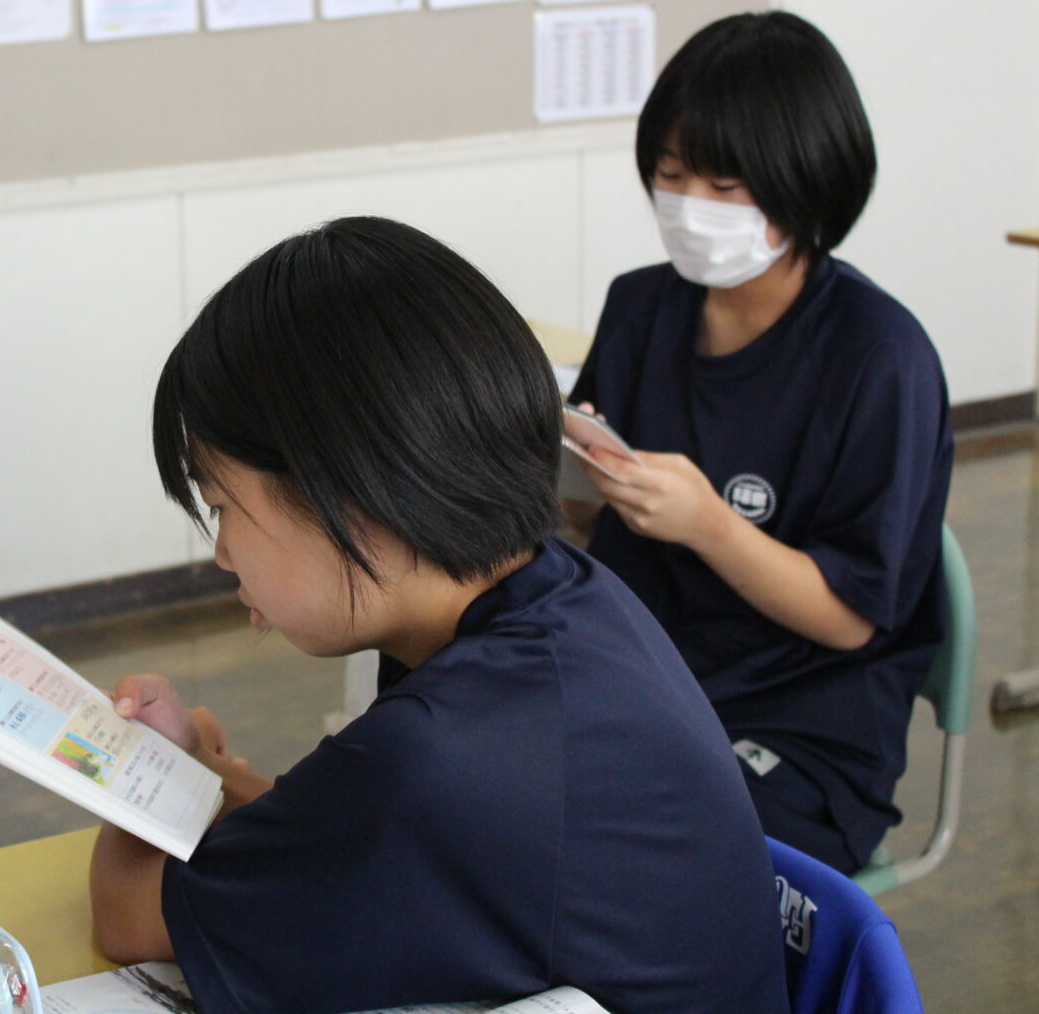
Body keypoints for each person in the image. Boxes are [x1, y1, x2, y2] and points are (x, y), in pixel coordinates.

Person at [90, 217, 788, 1014]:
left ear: (349, 499)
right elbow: (336, 838)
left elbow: (128, 915)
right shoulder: (557, 594)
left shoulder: (441, 755)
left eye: (221, 504)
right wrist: (202, 772)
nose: (221, 554)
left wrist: (130, 784)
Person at [566, 10, 953, 875]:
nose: (690, 207)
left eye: (726, 185)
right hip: (646, 679)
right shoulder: (640, 309)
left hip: (800, 723)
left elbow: (852, 619)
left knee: (644, 852)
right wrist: (578, 475)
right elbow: (587, 523)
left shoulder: (879, 360)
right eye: (671, 175)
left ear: (807, 182)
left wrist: (707, 523)